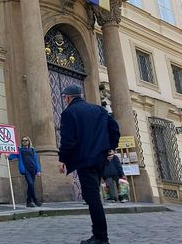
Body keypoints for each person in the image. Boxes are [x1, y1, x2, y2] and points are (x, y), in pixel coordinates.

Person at [58, 85, 120, 244]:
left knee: (92, 199)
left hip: (85, 161)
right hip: (100, 160)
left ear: (67, 98)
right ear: (80, 95)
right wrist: (111, 148)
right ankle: (98, 235)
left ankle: (101, 237)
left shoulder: (68, 113)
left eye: (65, 98)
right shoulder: (99, 110)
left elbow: (68, 141)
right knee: (93, 197)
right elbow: (114, 129)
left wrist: (63, 159)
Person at [9, 136, 42, 207]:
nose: (24, 142)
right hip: (25, 169)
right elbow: (12, 156)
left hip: (33, 169)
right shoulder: (20, 149)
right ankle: (35, 200)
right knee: (31, 184)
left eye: (26, 140)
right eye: (23, 140)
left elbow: (36, 161)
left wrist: (38, 170)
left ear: (29, 141)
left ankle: (28, 202)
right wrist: (8, 156)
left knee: (31, 185)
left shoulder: (33, 149)